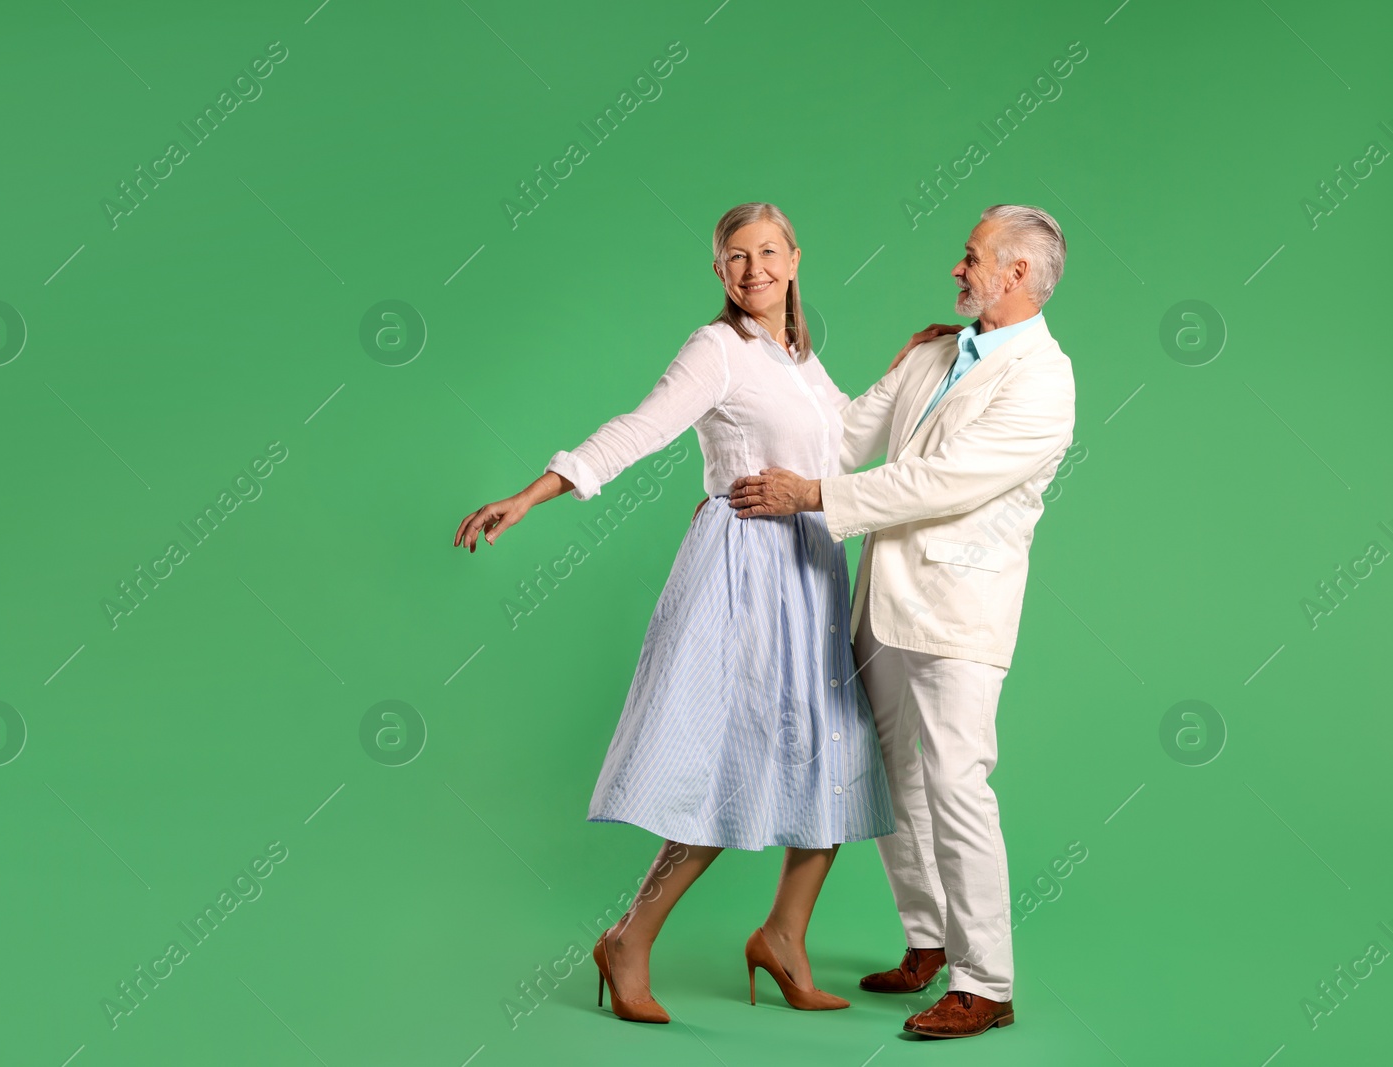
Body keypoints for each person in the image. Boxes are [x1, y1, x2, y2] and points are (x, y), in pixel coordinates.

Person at [454, 202, 949, 1023]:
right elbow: (640, 428)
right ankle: (629, 937)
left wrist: (906, 366)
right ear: (719, 273)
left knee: (834, 750)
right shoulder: (717, 349)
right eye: (734, 257)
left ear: (794, 258)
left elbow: (840, 448)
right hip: (746, 570)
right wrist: (535, 494)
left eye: (765, 252)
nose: (752, 269)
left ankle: (784, 937)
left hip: (812, 567)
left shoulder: (800, 361)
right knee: (731, 764)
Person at [726, 204, 1078, 1038]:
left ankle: (985, 980)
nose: (956, 270)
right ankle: (928, 938)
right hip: (881, 597)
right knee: (886, 772)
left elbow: (940, 482)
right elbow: (837, 435)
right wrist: (771, 373)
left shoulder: (1044, 380)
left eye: (970, 257)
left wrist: (812, 498)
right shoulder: (934, 352)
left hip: (959, 609)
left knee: (957, 780)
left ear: (1017, 273)